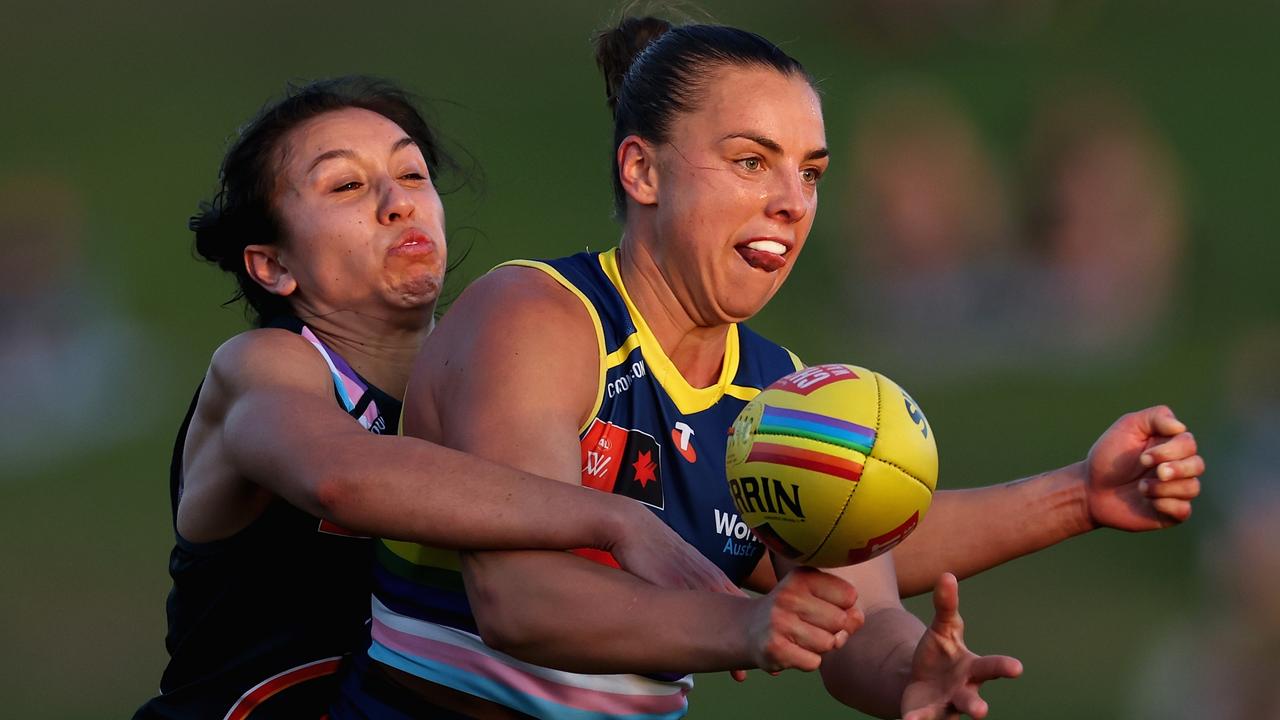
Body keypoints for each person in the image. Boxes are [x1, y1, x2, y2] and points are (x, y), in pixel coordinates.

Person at [330, 18, 1203, 720]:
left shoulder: (782, 389)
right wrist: (747, 623)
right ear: (642, 169)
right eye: (751, 161)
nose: (791, 200)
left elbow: (858, 609)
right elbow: (523, 602)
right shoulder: (539, 318)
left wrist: (915, 670)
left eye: (811, 172)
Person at [132, 76, 738, 720]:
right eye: (345, 186)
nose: (398, 203)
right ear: (272, 266)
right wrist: (616, 520)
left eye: (413, 175)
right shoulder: (264, 368)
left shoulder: (490, 384)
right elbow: (343, 479)